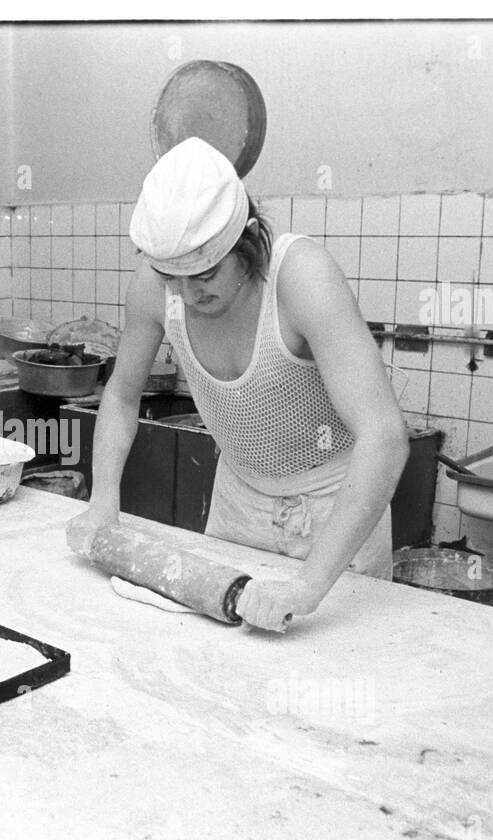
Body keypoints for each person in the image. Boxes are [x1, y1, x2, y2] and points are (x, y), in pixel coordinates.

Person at [67, 138, 409, 631]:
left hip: (336, 511)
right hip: (237, 504)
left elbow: (384, 435)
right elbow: (121, 396)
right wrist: (103, 503)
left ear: (246, 240)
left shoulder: (301, 277)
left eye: (204, 273)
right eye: (172, 278)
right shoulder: (153, 288)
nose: (187, 294)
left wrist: (308, 586)